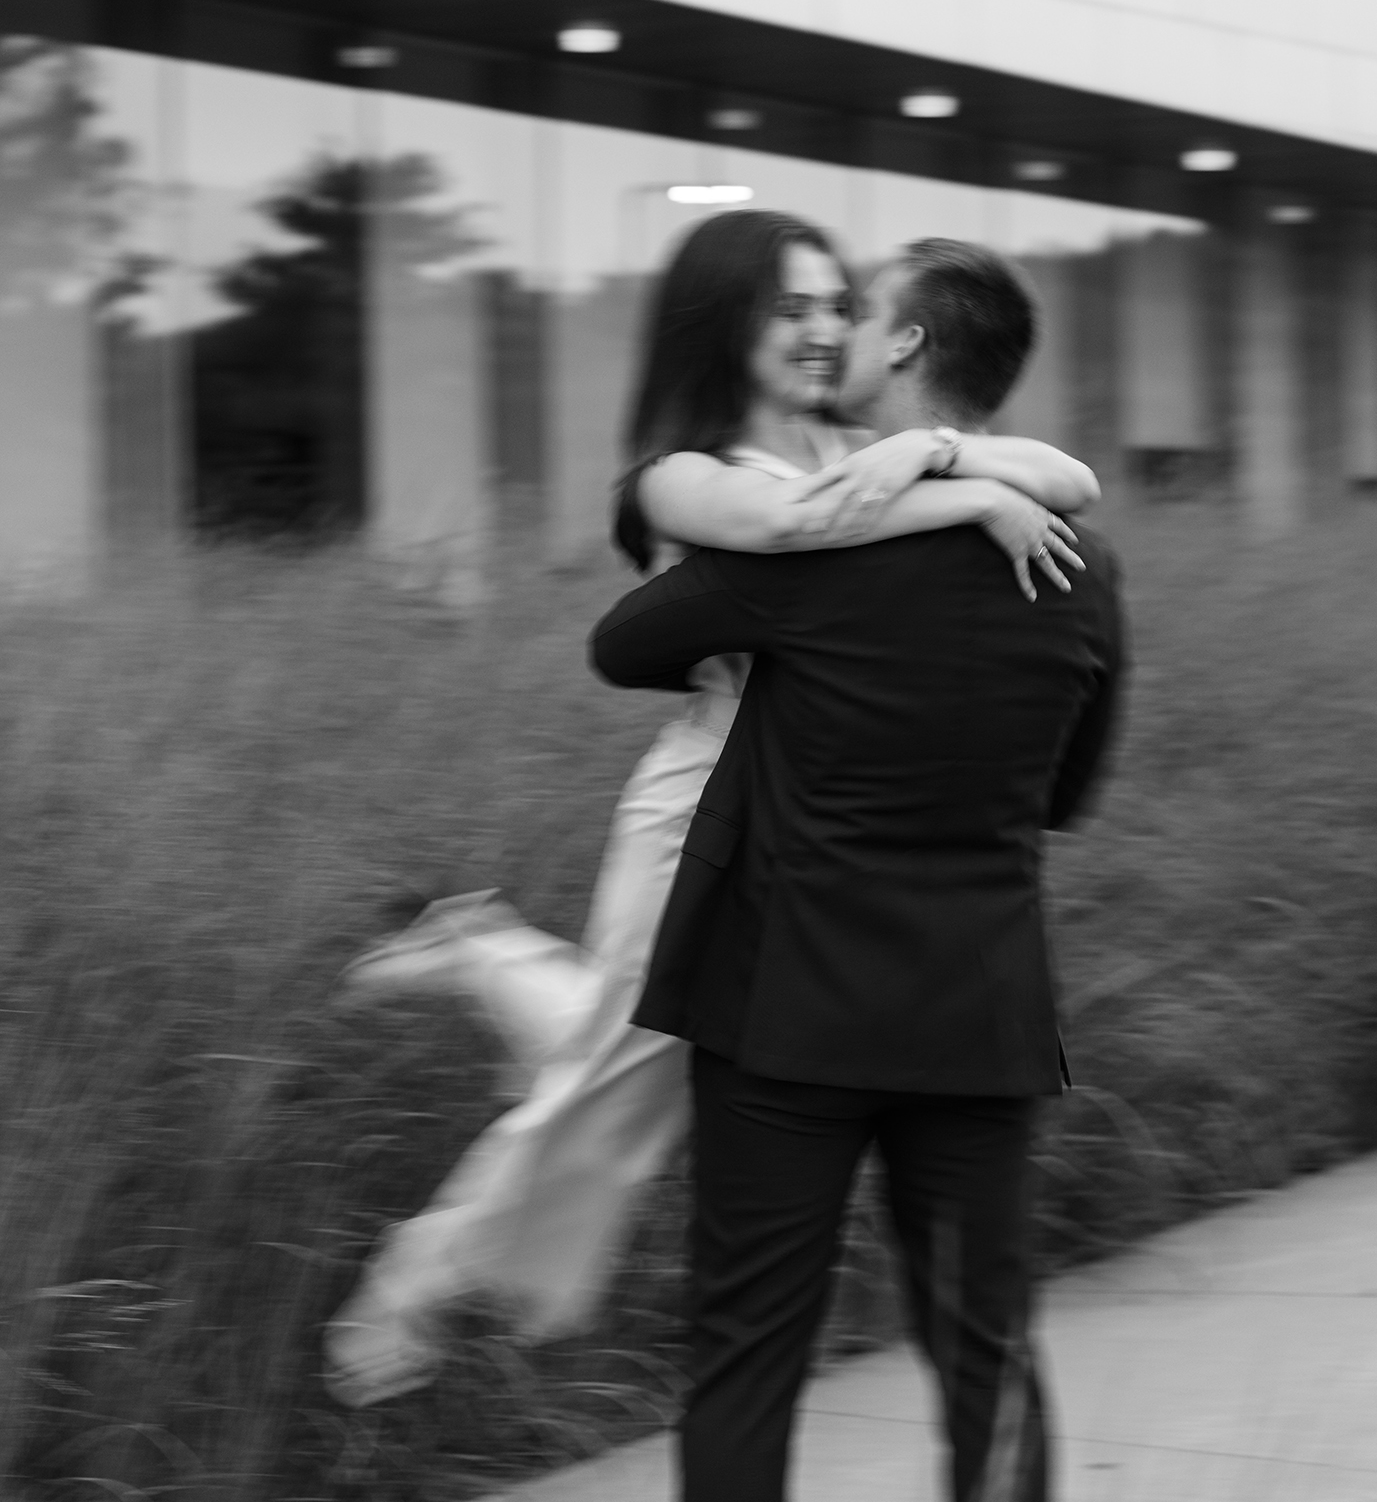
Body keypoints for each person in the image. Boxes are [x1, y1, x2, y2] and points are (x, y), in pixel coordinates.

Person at [324, 212, 1099, 1406]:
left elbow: (1072, 478)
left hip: (807, 811)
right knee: (615, 1082)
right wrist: (962, 496)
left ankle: (482, 948)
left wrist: (929, 452)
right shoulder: (683, 475)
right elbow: (798, 530)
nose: (823, 328)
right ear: (722, 323)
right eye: (788, 309)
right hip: (702, 813)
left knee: (634, 1064)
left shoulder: (856, 441)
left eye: (834, 305)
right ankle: (417, 1276)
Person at [590, 237, 1125, 1502]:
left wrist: (765, 646)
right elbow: (1071, 794)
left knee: (744, 1366)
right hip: (974, 1010)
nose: (831, 335)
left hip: (785, 1016)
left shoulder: (811, 549)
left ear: (900, 350)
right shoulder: (1079, 566)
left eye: (855, 309)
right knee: (988, 1368)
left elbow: (622, 645)